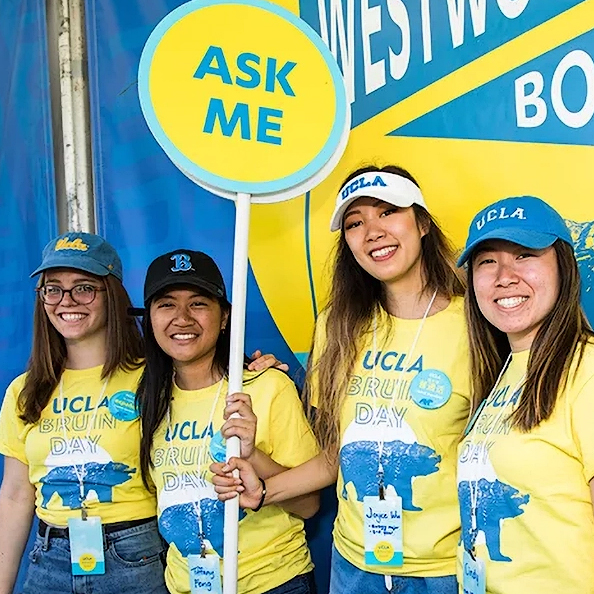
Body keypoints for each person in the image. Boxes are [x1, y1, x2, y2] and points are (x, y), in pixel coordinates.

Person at [213, 165, 471, 594]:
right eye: (355, 223)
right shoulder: (336, 326)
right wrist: (261, 490)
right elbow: (336, 457)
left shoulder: (476, 324)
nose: (372, 231)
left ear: (422, 223)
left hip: (446, 570)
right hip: (353, 567)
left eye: (388, 212)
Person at [136, 249, 320, 594]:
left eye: (198, 303)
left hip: (274, 583)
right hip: (185, 585)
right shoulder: (145, 400)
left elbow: (309, 506)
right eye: (166, 304)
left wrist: (252, 457)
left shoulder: (267, 387)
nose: (182, 318)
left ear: (224, 319)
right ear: (150, 318)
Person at [0, 232, 168, 594]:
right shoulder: (23, 390)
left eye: (84, 288)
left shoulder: (155, 376)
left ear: (112, 294)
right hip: (50, 560)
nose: (66, 301)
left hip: (135, 557)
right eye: (53, 289)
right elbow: (15, 494)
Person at [456, 196, 594, 594]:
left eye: (525, 255)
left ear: (563, 268)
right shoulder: (503, 370)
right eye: (487, 261)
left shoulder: (585, 369)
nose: (504, 276)